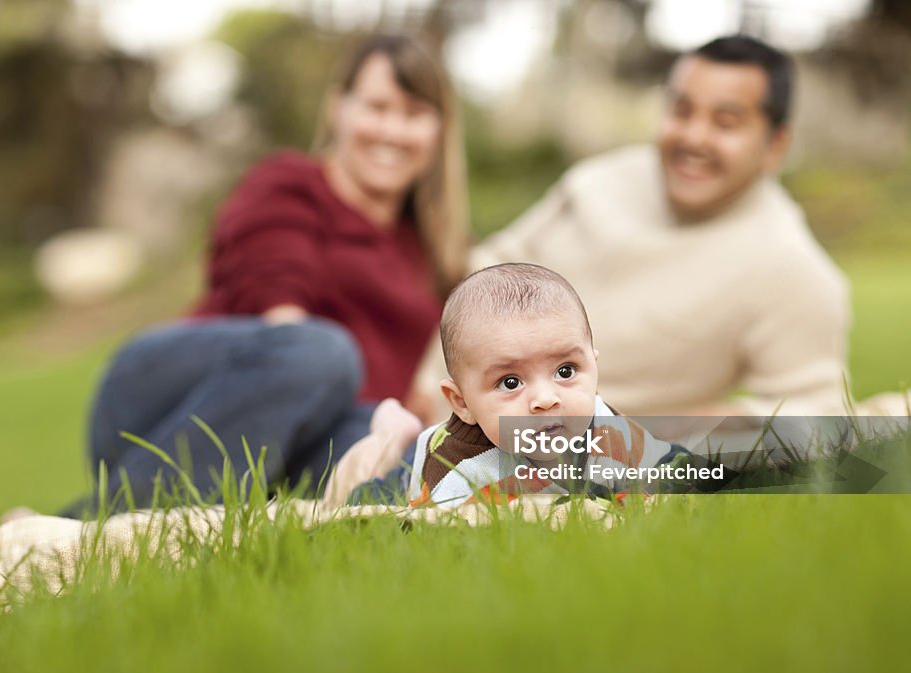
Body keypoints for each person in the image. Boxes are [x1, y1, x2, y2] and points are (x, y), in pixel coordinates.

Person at [56, 33, 469, 518]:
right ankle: (77, 525)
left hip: (306, 437)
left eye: (413, 114)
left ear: (439, 130)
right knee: (322, 350)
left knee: (419, 463)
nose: (392, 131)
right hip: (173, 404)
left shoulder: (433, 251)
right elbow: (283, 321)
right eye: (378, 107)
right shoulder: (290, 185)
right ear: (339, 108)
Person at [413, 35, 854, 420]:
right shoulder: (598, 181)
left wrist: (697, 427)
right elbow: (488, 266)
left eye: (726, 122)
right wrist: (419, 381)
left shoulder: (789, 267)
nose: (694, 138)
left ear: (775, 145)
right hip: (423, 389)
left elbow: (815, 414)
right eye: (682, 111)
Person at [337, 264, 687, 508]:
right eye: (510, 382)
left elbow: (668, 468)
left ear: (593, 365)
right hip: (421, 468)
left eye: (566, 371)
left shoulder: (604, 425)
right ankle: (391, 436)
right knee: (360, 498)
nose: (546, 400)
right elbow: (431, 537)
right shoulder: (455, 470)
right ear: (461, 403)